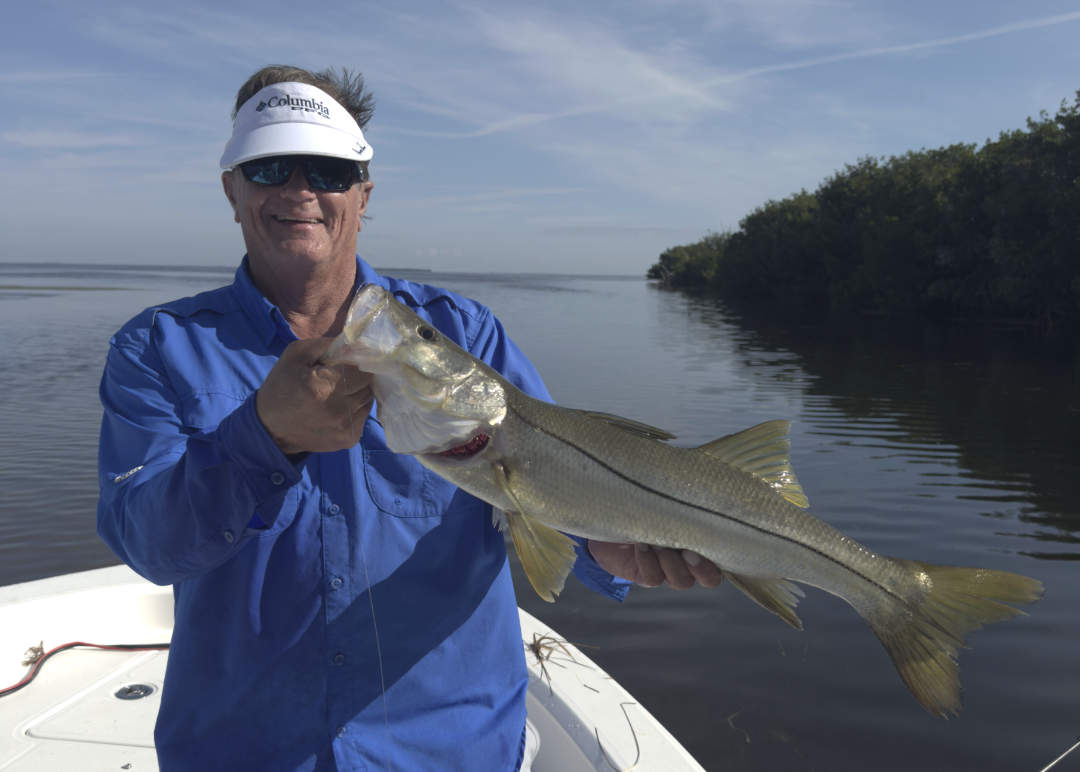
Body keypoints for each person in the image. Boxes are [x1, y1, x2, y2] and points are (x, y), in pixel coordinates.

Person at [97, 64, 722, 771]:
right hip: (244, 751)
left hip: (450, 749)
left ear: (363, 194)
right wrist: (265, 437)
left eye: (329, 171)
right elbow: (148, 545)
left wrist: (607, 547)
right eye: (269, 167)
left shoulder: (464, 335)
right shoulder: (157, 348)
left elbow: (545, 474)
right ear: (231, 189)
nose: (300, 191)